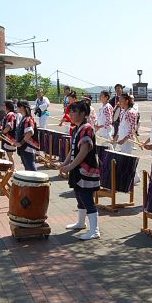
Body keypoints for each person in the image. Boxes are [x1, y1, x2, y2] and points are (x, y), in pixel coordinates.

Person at [60, 101, 101, 240]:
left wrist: (70, 166)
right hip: (78, 169)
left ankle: (95, 230)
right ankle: (81, 222)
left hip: (86, 170)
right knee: (79, 195)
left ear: (83, 113)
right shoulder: (77, 128)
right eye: (70, 111)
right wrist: (65, 163)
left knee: (86, 197)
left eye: (74, 111)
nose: (70, 114)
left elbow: (83, 150)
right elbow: (73, 147)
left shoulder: (87, 128)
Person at [16, 101, 40, 171]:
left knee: (30, 166)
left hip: (27, 147)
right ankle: (30, 181)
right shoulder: (24, 118)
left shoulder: (28, 119)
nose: (17, 108)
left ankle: (36, 181)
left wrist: (21, 143)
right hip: (24, 146)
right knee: (27, 167)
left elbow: (30, 132)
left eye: (18, 107)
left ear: (22, 108)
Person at [0, 100, 18, 165]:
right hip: (6, 137)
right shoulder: (9, 114)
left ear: (7, 106)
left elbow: (8, 126)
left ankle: (12, 170)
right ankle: (10, 169)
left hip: (9, 137)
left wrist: (1, 133)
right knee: (8, 154)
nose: (3, 107)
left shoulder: (10, 114)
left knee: (10, 155)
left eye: (4, 105)